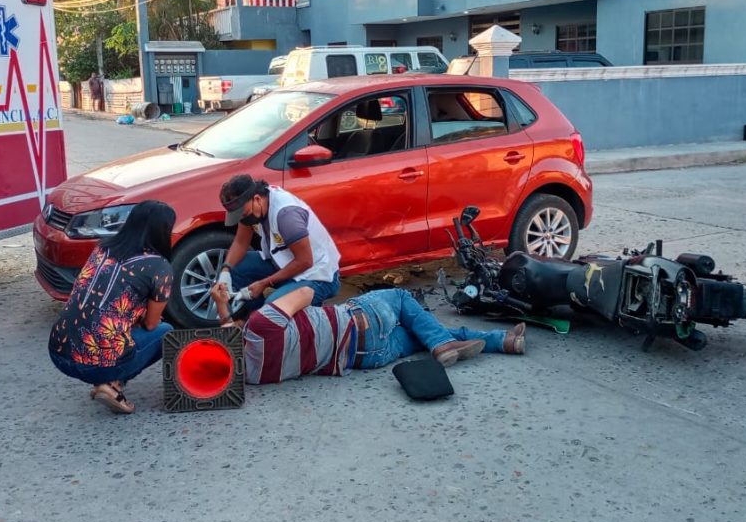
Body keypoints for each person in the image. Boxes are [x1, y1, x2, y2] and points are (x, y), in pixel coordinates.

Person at [211, 282, 526, 384]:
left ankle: (503, 341)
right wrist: (276, 296)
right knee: (403, 297)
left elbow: (232, 339)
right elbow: (306, 292)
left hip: (365, 358)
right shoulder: (263, 322)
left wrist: (224, 309)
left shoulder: (250, 375)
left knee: (423, 332)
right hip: (361, 321)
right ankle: (443, 343)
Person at [48, 201, 177, 414]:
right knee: (165, 333)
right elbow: (152, 323)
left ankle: (108, 380)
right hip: (95, 366)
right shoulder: (159, 267)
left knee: (113, 323)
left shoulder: (103, 247)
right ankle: (113, 383)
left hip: (58, 352)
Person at [216, 174, 341, 318]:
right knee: (236, 267)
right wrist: (225, 271)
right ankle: (257, 318)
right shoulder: (253, 206)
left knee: (273, 308)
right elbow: (240, 242)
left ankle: (296, 320)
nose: (243, 219)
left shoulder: (286, 215)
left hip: (317, 275)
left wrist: (264, 283)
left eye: (243, 214)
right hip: (284, 264)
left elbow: (305, 261)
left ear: (257, 199)